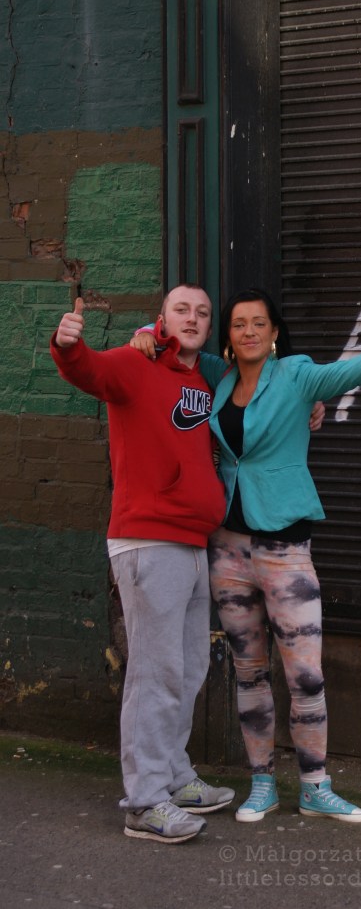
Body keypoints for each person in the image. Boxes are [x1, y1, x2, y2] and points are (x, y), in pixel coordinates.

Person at [132, 287, 361, 824]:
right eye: (239, 324)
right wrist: (146, 333)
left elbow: (349, 372)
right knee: (249, 672)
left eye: (259, 323)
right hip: (228, 548)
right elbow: (176, 349)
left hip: (285, 547)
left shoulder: (298, 375)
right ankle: (262, 784)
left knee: (305, 675)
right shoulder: (218, 375)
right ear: (229, 336)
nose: (249, 332)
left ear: (275, 332)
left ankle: (314, 786)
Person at [50, 285, 237, 843]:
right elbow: (89, 371)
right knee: (155, 674)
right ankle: (145, 801)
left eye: (202, 313)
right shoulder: (135, 363)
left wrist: (313, 410)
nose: (193, 318)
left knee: (187, 669)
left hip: (193, 541)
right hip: (148, 540)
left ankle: (175, 776)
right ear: (162, 318)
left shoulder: (204, 380)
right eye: (182, 310)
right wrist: (67, 345)